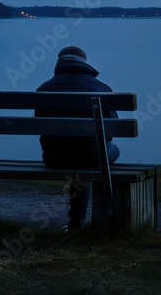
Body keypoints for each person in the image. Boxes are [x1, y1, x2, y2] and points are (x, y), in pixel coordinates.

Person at [36, 46, 120, 230]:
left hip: (54, 158)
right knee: (108, 151)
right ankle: (89, 221)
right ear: (85, 63)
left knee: (80, 158)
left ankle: (76, 222)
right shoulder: (102, 88)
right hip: (92, 158)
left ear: (59, 64)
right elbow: (113, 128)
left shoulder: (44, 89)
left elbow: (40, 126)